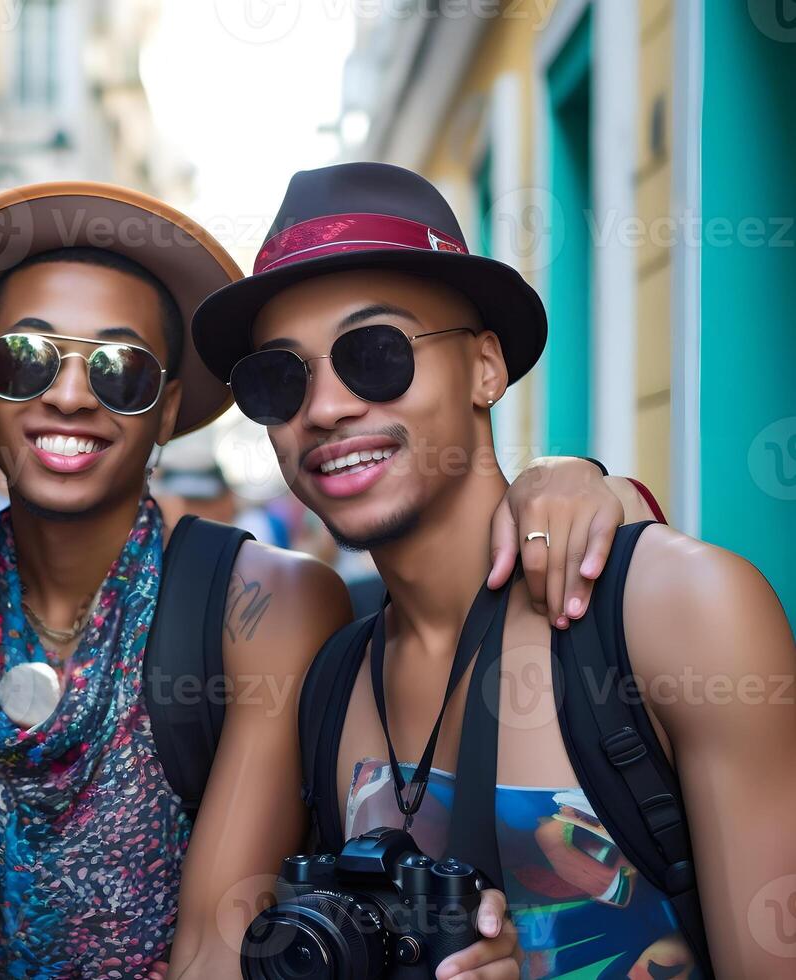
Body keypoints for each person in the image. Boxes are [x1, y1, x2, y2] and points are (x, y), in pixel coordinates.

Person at [0, 182, 653, 979]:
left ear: (166, 412)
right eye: (24, 360)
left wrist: (585, 486)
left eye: (121, 370)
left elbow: (220, 947)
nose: (68, 394)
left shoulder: (261, 608)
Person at [193, 160, 796, 978]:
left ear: (485, 368)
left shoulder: (681, 613)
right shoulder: (333, 681)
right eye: (279, 379)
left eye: (374, 353)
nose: (326, 407)